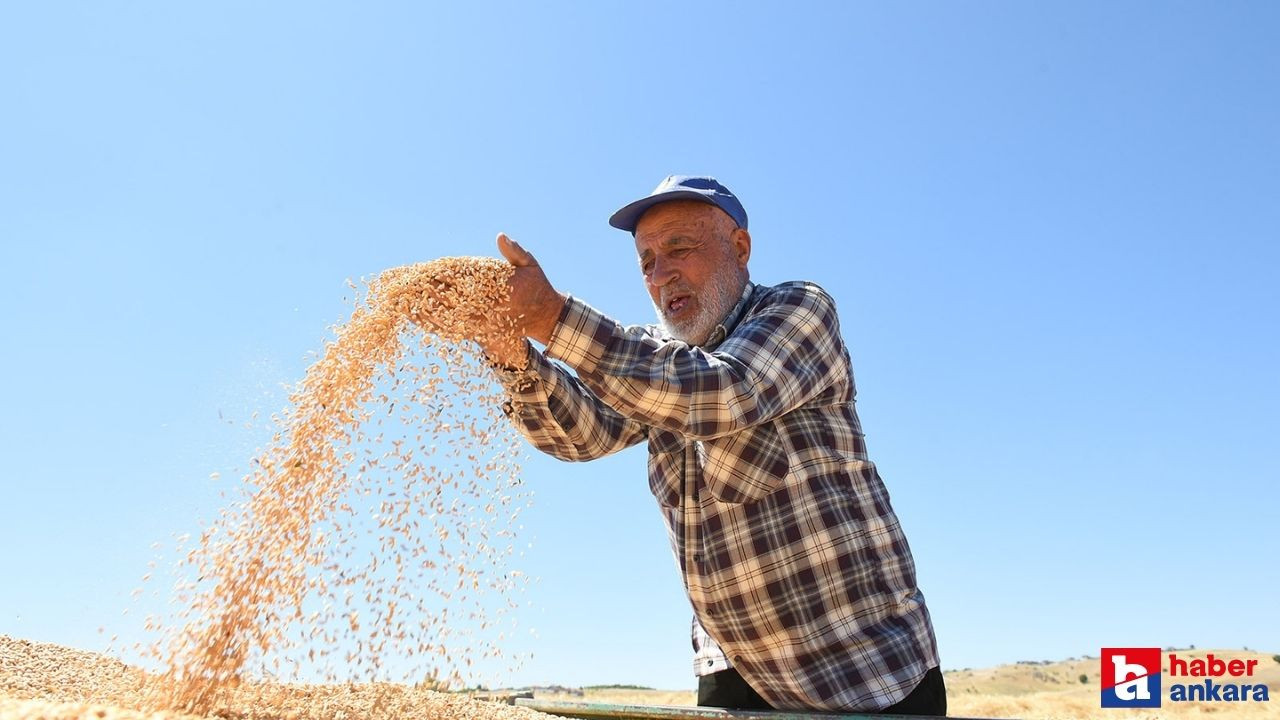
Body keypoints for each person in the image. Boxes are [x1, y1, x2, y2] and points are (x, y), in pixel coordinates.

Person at [429, 175, 945, 715]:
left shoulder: (799, 311)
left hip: (866, 671)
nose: (661, 272)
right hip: (734, 668)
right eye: (647, 261)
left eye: (680, 247)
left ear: (740, 248)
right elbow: (579, 435)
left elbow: (724, 390)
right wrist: (508, 348)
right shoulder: (649, 358)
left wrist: (551, 318)